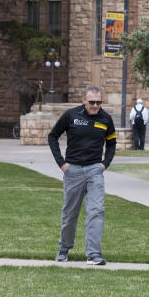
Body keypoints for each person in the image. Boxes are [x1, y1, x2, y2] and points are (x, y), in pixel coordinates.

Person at [48, 86, 117, 265]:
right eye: (92, 102)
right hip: (73, 171)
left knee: (97, 211)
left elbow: (111, 144)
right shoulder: (71, 115)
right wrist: (62, 164)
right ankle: (64, 249)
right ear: (83, 100)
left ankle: (93, 254)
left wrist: (104, 164)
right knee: (70, 212)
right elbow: (52, 136)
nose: (95, 106)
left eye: (99, 102)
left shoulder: (106, 119)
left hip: (95, 170)